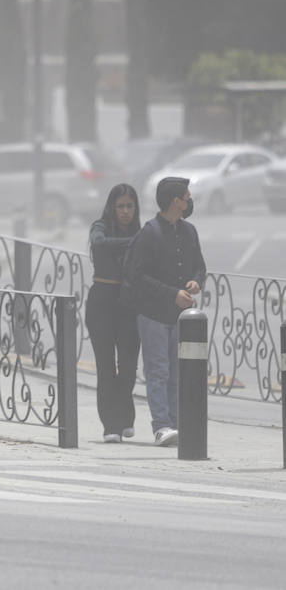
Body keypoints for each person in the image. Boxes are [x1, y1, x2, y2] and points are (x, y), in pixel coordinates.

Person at [123, 176, 205, 448]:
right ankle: (161, 426)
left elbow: (199, 266)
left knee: (176, 373)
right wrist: (172, 294)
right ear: (175, 201)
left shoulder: (189, 231)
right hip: (153, 315)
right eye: (186, 196)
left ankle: (176, 423)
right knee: (157, 371)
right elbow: (137, 275)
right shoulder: (149, 233)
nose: (189, 200)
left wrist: (195, 281)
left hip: (181, 317)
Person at [87, 183, 141, 443]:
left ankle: (126, 417)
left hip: (129, 304)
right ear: (112, 207)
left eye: (130, 206)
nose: (126, 211)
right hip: (102, 303)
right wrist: (133, 244)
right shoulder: (100, 227)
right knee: (105, 368)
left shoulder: (140, 231)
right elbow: (98, 244)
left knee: (129, 367)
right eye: (121, 206)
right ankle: (111, 425)